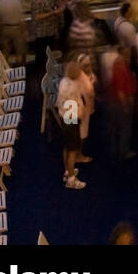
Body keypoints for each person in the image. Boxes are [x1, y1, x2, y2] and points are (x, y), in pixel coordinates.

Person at [56, 61, 87, 189]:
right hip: (71, 119)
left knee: (67, 147)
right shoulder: (73, 87)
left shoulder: (63, 82)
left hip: (64, 117)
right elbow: (76, 107)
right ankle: (71, 180)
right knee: (73, 149)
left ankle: (68, 171)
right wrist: (81, 114)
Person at [106, 44, 137, 161]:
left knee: (116, 127)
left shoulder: (118, 63)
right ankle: (123, 152)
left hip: (114, 102)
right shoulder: (121, 67)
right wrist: (125, 107)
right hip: (120, 104)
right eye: (128, 53)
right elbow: (121, 91)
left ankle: (115, 150)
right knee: (125, 128)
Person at [30, 0, 61, 72]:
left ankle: (48, 71)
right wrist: (53, 13)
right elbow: (36, 17)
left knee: (48, 54)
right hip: (42, 33)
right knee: (41, 56)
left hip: (50, 31)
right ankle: (40, 74)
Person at [0, 0, 26, 66]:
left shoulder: (0, 1)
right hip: (16, 28)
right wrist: (24, 30)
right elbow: (21, 17)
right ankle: (19, 69)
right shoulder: (17, 0)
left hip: (5, 28)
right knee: (19, 51)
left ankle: (5, 69)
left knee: (5, 51)